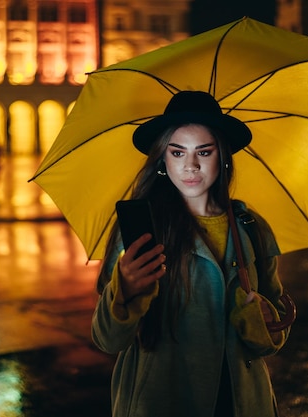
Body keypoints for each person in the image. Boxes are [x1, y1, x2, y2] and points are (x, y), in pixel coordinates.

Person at [91, 91, 290, 417]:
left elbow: (276, 324)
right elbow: (107, 339)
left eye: (204, 152)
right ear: (162, 160)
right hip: (163, 400)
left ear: (222, 156)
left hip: (242, 402)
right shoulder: (142, 228)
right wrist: (125, 289)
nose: (191, 165)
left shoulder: (250, 226)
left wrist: (266, 320)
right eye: (178, 152)